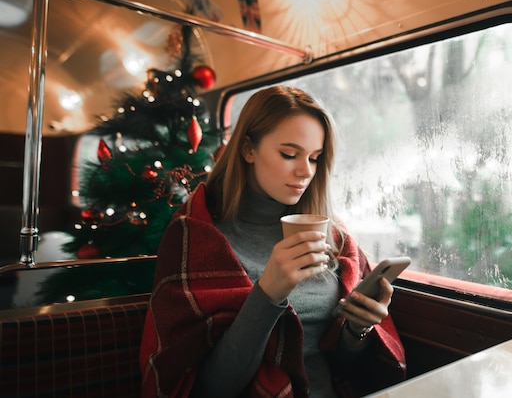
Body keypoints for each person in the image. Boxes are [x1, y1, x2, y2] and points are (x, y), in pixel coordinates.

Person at [139, 85, 406, 398]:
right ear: (248, 150)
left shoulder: (334, 237)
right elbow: (208, 389)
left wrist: (357, 329)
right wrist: (268, 293)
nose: (305, 171)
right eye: (289, 154)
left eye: (315, 158)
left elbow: (341, 368)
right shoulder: (195, 237)